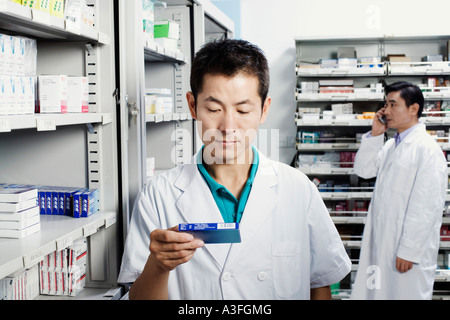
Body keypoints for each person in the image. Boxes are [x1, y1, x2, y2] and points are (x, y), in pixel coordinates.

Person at [117, 38, 351, 300]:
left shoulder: (298, 189)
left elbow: (319, 284)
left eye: (242, 109)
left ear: (264, 110)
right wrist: (158, 266)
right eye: (214, 108)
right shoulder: (158, 195)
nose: (228, 126)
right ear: (193, 106)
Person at [350, 81, 447, 300]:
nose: (385, 111)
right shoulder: (391, 145)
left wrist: (409, 250)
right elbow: (363, 170)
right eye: (386, 104)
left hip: (405, 250)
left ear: (413, 109)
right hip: (382, 242)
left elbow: (426, 206)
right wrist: (375, 135)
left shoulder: (427, 149)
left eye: (393, 105)